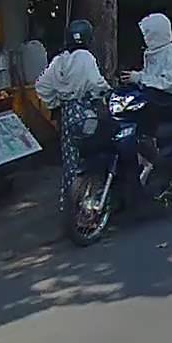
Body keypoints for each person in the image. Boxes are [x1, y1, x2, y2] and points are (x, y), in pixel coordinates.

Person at [36, 19, 111, 212]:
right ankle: (96, 196)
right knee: (96, 154)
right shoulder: (86, 57)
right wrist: (107, 92)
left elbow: (42, 86)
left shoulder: (59, 60)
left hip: (66, 115)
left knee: (70, 161)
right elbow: (96, 84)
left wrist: (55, 102)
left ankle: (69, 203)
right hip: (86, 114)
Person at [121, 12, 172, 142]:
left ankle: (150, 142)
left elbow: (166, 83)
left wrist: (139, 78)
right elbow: (150, 79)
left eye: (147, 33)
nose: (145, 37)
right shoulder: (152, 53)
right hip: (165, 97)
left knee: (145, 105)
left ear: (156, 33)